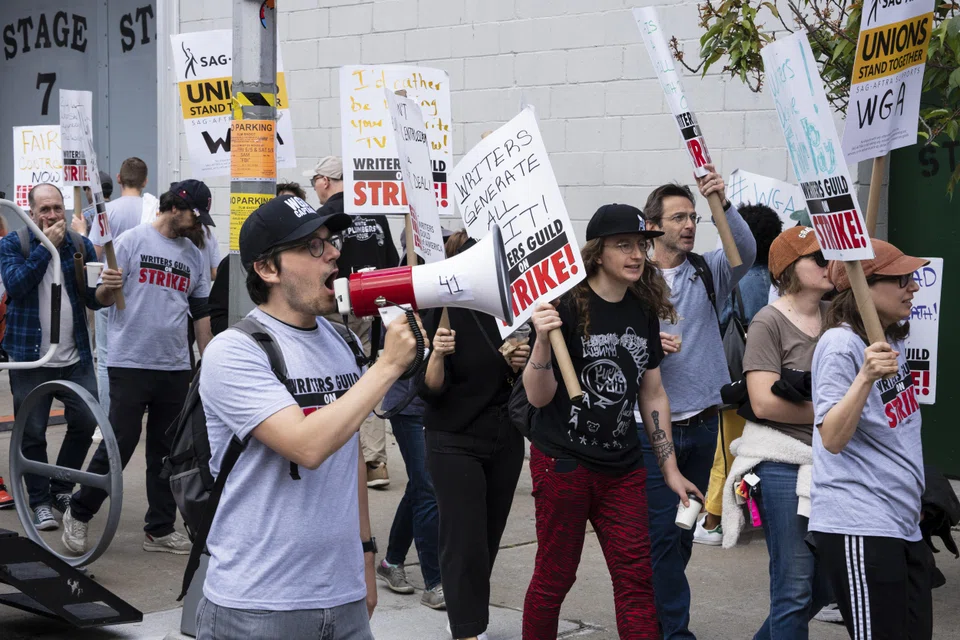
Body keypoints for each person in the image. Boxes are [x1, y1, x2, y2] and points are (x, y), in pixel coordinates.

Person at [196, 194, 424, 639]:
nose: (335, 252)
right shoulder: (235, 350)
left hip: (342, 597)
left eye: (330, 241)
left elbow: (349, 453)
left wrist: (364, 556)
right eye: (313, 246)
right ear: (267, 269)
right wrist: (388, 365)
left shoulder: (341, 342)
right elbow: (307, 446)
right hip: (259, 606)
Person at [522, 204, 702, 639]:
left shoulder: (641, 309)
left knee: (636, 581)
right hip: (564, 463)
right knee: (555, 577)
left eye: (641, 244)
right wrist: (544, 341)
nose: (637, 254)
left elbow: (652, 392)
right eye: (623, 245)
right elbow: (537, 395)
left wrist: (670, 469)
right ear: (597, 252)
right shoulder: (563, 304)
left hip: (622, 468)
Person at [62, 180, 214, 555]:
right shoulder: (130, 243)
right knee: (120, 443)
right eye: (194, 216)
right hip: (130, 361)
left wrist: (210, 361)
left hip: (176, 366)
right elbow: (99, 300)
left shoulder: (193, 255)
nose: (197, 225)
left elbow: (201, 314)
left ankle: (159, 529)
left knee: (167, 451)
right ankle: (79, 511)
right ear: (174, 207)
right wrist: (106, 287)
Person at [640, 164, 757, 639]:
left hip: (705, 421)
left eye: (693, 217)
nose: (690, 225)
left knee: (682, 531)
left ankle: (653, 612)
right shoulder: (636, 280)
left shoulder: (708, 272)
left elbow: (746, 252)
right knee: (661, 537)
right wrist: (650, 342)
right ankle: (674, 631)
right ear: (653, 227)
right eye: (679, 218)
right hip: (654, 430)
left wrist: (720, 202)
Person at [811, 241, 931, 640]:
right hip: (860, 523)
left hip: (901, 523)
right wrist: (864, 377)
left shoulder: (890, 340)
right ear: (864, 286)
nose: (912, 287)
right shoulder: (841, 345)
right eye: (901, 279)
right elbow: (831, 436)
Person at [718, 226, 834, 638]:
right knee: (794, 587)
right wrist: (833, 415)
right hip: (784, 463)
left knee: (825, 584)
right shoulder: (769, 321)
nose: (829, 263)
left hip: (831, 462)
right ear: (787, 268)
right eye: (818, 258)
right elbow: (764, 402)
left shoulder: (838, 317)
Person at [419, 236, 531, 640]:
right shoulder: (440, 307)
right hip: (453, 438)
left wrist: (522, 361)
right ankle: (467, 628)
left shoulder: (513, 306)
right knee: (463, 540)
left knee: (486, 539)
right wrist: (436, 355)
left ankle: (466, 612)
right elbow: (428, 390)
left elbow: (523, 381)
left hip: (503, 438)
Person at [0, 184, 113, 531]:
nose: (52, 215)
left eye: (57, 208)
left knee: (85, 420)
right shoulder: (12, 244)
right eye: (44, 209)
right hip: (30, 359)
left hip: (74, 356)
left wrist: (109, 288)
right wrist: (47, 248)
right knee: (32, 432)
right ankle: (39, 502)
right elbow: (16, 285)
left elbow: (93, 299)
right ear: (30, 212)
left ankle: (61, 487)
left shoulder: (79, 245)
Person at [376, 230, 458, 610]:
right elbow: (403, 350)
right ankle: (435, 581)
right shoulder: (395, 288)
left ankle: (392, 561)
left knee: (420, 487)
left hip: (437, 404)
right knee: (428, 489)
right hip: (409, 404)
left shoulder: (453, 289)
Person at [307, 155, 400, 488]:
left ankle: (334, 455)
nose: (314, 186)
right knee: (367, 377)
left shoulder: (323, 217)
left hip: (332, 304)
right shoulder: (376, 212)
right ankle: (375, 462)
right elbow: (390, 262)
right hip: (369, 306)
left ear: (325, 181)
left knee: (327, 378)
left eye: (314, 179)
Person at [696, 203, 782, 545]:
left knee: (726, 449)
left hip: (735, 379)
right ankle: (754, 513)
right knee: (759, 447)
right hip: (771, 380)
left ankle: (715, 519)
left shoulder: (732, 279)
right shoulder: (779, 280)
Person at [88, 157, 151, 415]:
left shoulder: (108, 212)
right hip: (145, 294)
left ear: (118, 178)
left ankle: (105, 421)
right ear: (145, 181)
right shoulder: (152, 209)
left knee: (104, 357)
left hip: (111, 290)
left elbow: (94, 255)